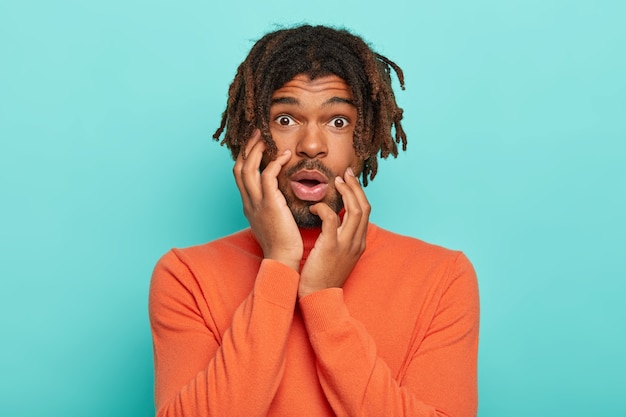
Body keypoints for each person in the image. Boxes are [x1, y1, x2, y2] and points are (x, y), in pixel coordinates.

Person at [149, 24, 479, 417]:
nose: (310, 145)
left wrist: (322, 298)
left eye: (337, 121)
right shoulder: (186, 276)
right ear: (249, 137)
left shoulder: (442, 278)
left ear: (366, 139)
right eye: (285, 119)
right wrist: (280, 264)